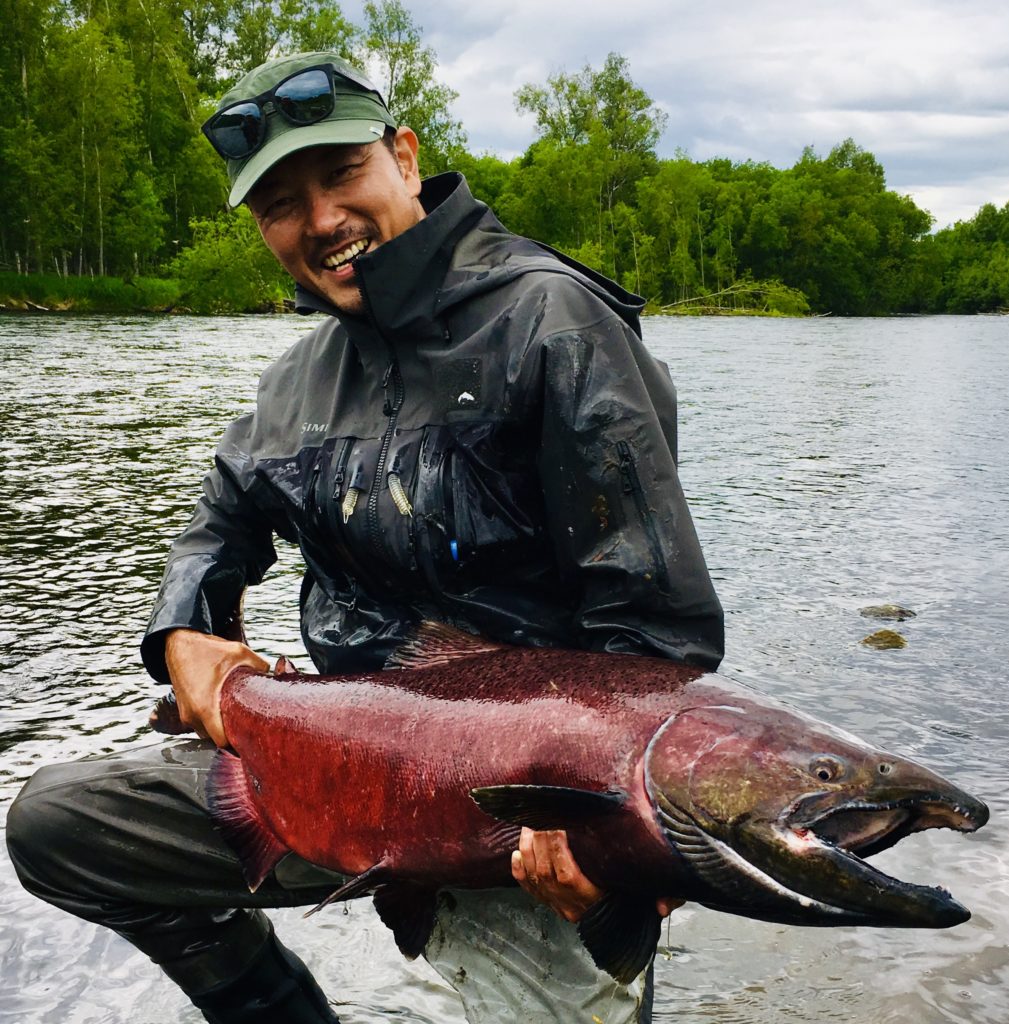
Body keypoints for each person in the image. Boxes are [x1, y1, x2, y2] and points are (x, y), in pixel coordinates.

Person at [6, 52, 723, 1024]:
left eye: (341, 173)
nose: (320, 220)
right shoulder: (295, 383)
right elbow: (216, 525)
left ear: (404, 154)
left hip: (521, 827)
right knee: (62, 827)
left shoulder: (552, 323)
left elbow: (656, 641)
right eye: (278, 204)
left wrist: (595, 820)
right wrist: (185, 631)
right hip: (332, 779)